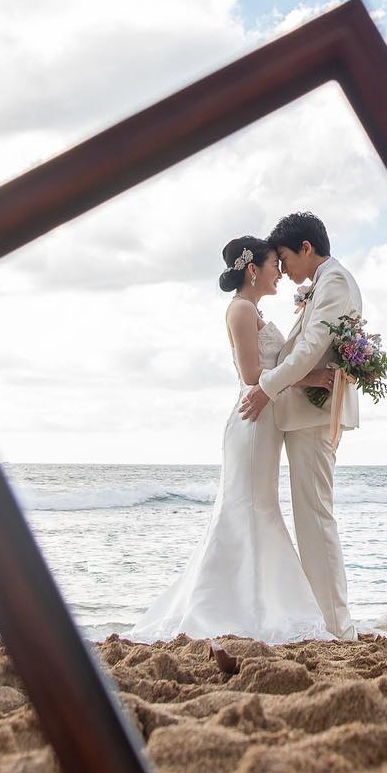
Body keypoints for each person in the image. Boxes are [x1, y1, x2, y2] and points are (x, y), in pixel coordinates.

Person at [129, 236, 333, 645]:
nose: (280, 271)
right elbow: (252, 375)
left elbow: (274, 367)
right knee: (251, 510)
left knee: (258, 508)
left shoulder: (253, 310)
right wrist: (310, 377)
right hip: (252, 422)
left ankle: (259, 604)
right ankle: (244, 610)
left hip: (266, 419)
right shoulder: (240, 309)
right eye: (274, 263)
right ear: (253, 268)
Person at [238, 211, 361, 642]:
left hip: (312, 413)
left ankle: (336, 628)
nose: (284, 268)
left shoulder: (334, 282)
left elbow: (311, 348)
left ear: (306, 248)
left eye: (286, 257)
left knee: (315, 518)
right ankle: (326, 621)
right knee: (311, 516)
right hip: (303, 411)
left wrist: (266, 387)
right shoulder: (324, 285)